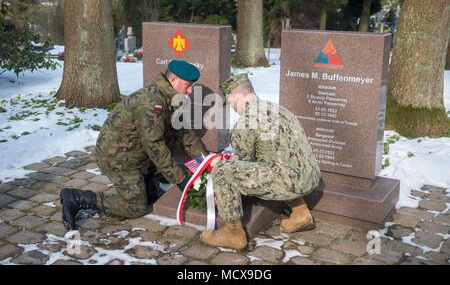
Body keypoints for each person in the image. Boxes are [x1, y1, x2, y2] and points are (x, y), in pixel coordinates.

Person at [60, 60, 207, 230]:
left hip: (136, 153)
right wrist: (181, 180)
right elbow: (155, 146)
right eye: (187, 86)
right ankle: (77, 198)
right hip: (118, 158)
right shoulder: (151, 103)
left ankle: (149, 185)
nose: (189, 91)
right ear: (173, 80)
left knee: (154, 192)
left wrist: (205, 161)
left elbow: (184, 133)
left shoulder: (172, 98)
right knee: (136, 206)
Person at [201, 74, 322, 250]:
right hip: (311, 177)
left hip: (288, 182)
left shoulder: (246, 121)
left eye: (231, 103)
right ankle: (301, 213)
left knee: (222, 171)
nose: (233, 109)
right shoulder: (281, 110)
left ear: (236, 96)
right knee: (279, 162)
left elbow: (242, 163)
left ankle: (233, 233)